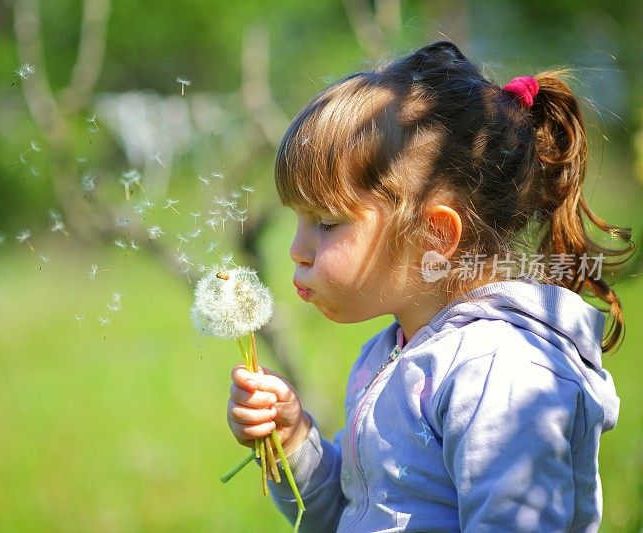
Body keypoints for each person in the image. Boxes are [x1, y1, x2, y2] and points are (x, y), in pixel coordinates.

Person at [226, 40, 636, 532]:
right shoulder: (392, 354)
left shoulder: (498, 372)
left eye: (328, 223)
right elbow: (351, 517)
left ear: (436, 235)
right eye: (300, 221)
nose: (297, 249)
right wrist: (294, 442)